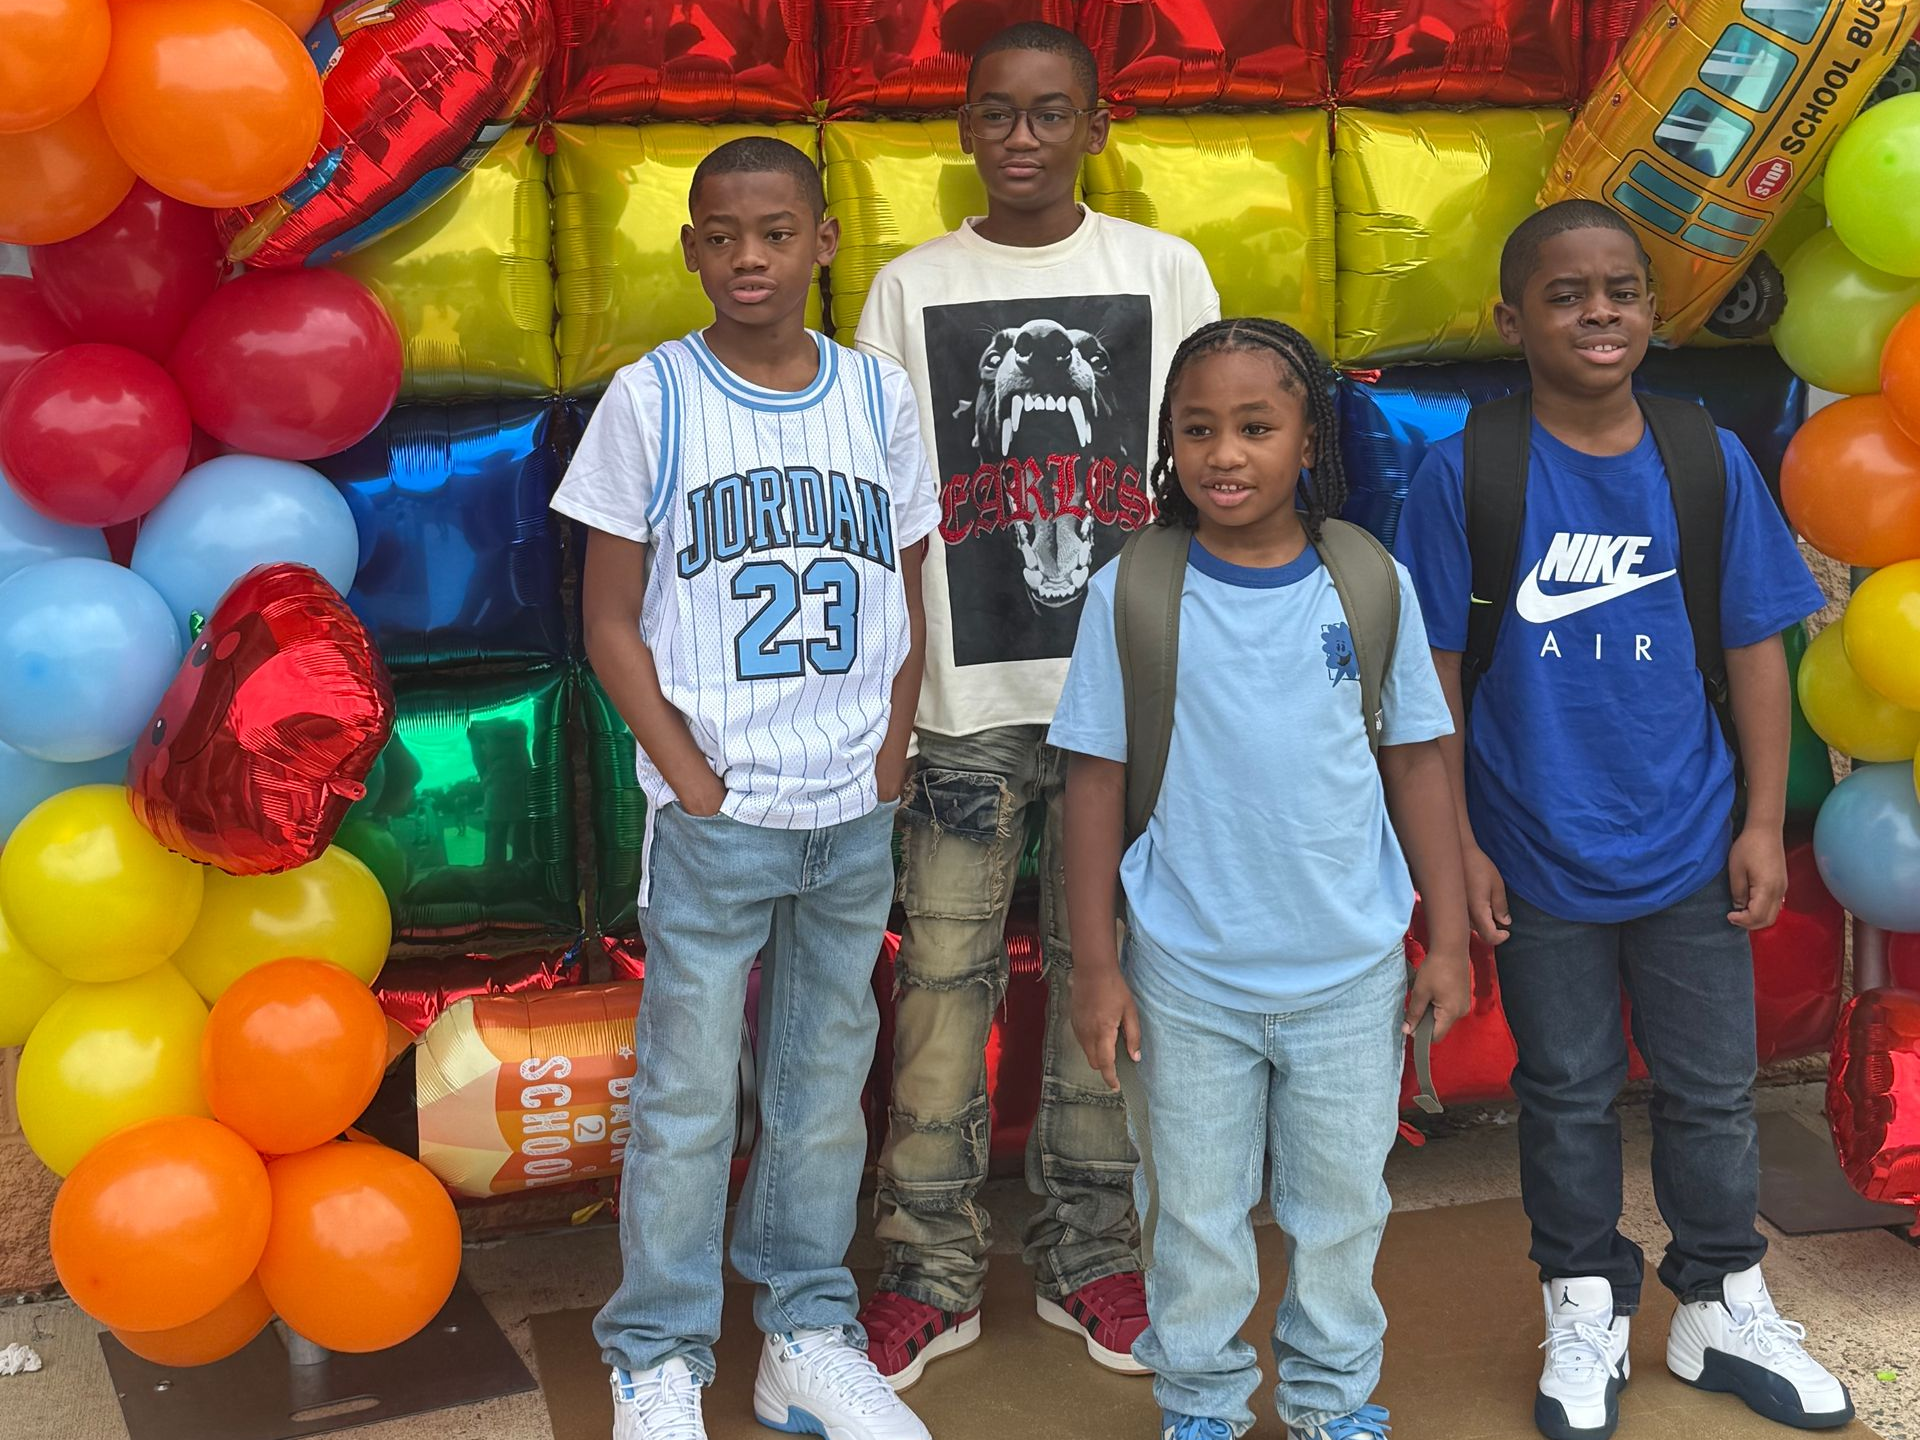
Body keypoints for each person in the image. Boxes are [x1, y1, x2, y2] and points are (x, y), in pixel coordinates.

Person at [1395, 199, 1852, 1440]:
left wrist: (1763, 821)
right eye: (1566, 293)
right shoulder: (1468, 471)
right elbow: (1428, 686)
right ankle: (1584, 1294)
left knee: (1711, 1086)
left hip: (1692, 840)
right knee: (1569, 1085)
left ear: (1654, 310)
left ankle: (1721, 1297)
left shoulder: (1703, 457)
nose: (1600, 312)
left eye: (1623, 290)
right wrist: (1463, 850)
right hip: (1533, 848)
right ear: (1512, 318)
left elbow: (1758, 649)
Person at [551, 136, 939, 1440]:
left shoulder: (878, 396)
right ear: (692, 250)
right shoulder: (652, 399)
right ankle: (655, 1353)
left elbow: (911, 584)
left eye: (776, 232)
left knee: (827, 1084)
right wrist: (689, 777)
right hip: (721, 819)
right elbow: (609, 618)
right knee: (688, 1096)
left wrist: (889, 746)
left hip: (851, 809)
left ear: (825, 241)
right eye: (723, 235)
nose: (751, 257)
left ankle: (803, 1334)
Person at [852, 20, 1221, 1385]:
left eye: (1049, 113)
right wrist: (894, 704)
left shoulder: (1161, 270)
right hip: (961, 703)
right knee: (941, 986)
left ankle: (1091, 1256)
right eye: (997, 113)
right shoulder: (907, 287)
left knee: (1105, 984)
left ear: (1096, 125)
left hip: (1121, 704)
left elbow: (1202, 473)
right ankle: (929, 1271)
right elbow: (883, 501)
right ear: (962, 128)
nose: (1022, 137)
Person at [1052, 317, 1472, 1440]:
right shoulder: (1132, 589)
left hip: (1349, 973)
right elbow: (1092, 785)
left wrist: (1447, 942)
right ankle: (1203, 1405)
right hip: (1185, 974)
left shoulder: (1365, 579)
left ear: (1307, 444)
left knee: (1340, 1211)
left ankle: (1335, 1404)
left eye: (1254, 426)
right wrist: (1099, 967)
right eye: (1197, 430)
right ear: (1167, 445)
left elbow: (1416, 762)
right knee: (1191, 1213)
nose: (1224, 454)